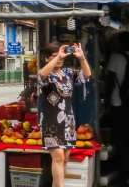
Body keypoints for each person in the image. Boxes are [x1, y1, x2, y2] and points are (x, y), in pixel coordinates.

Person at [38, 42, 91, 187]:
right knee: (58, 157)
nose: (60, 58)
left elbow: (86, 76)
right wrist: (58, 56)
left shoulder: (67, 73)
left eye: (61, 56)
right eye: (54, 56)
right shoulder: (47, 74)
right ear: (47, 58)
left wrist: (81, 58)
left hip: (68, 121)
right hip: (51, 123)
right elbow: (41, 76)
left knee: (65, 159)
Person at [106, 32, 129, 185]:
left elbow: (110, 81)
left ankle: (122, 172)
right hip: (127, 103)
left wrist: (106, 101)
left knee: (120, 139)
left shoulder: (116, 57)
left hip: (118, 103)